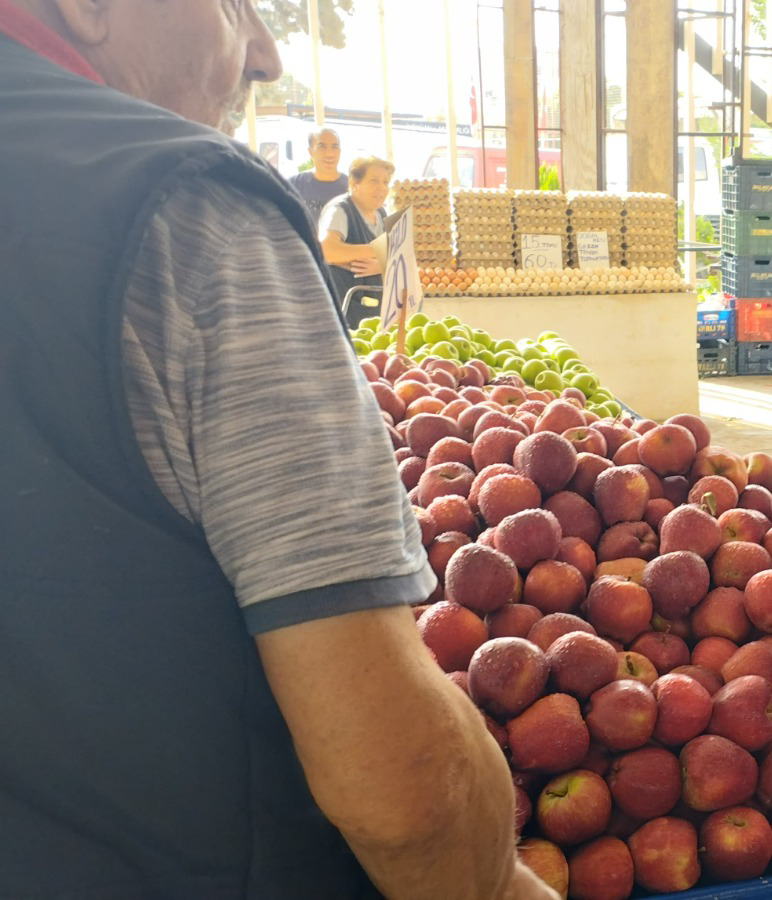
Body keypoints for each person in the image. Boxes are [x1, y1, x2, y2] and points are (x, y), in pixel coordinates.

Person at [0, 2, 554, 898]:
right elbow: (400, 791)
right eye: (234, 5)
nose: (263, 53)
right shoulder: (186, 207)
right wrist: (493, 883)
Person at [320, 156, 393, 327]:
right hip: (346, 310)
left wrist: (382, 265)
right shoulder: (340, 210)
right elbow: (326, 250)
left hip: (374, 311)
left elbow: (396, 257)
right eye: (374, 181)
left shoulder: (382, 214)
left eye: (385, 182)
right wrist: (377, 251)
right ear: (354, 183)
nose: (381, 188)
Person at [290, 127, 350, 225]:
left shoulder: (352, 187)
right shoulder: (294, 184)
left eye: (335, 146)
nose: (329, 153)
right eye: (322, 147)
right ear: (311, 151)